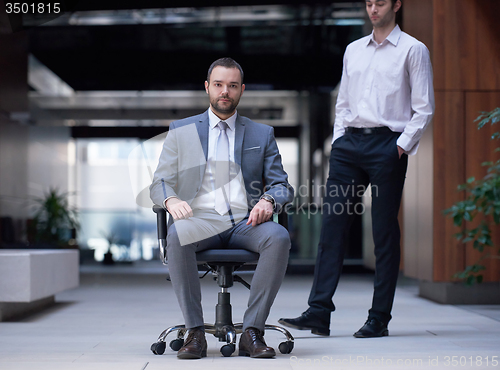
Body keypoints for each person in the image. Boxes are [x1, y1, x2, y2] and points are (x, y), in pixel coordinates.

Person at [279, 0, 434, 338]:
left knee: (383, 233)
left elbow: (424, 108)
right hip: (349, 146)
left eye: (380, 2)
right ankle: (319, 311)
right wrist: (339, 140)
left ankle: (379, 318)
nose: (373, 8)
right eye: (368, 3)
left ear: (397, 4)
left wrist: (399, 146)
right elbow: (344, 102)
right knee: (332, 228)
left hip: (387, 145)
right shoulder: (353, 50)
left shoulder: (413, 50)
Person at [150, 57, 294, 359]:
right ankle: (195, 332)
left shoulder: (261, 134)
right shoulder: (182, 130)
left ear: (242, 89)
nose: (224, 91)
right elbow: (159, 182)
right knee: (177, 235)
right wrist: (172, 200)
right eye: (218, 85)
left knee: (278, 237)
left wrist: (268, 200)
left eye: (231, 85)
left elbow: (282, 186)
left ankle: (252, 332)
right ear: (207, 88)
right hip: (199, 221)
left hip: (246, 224)